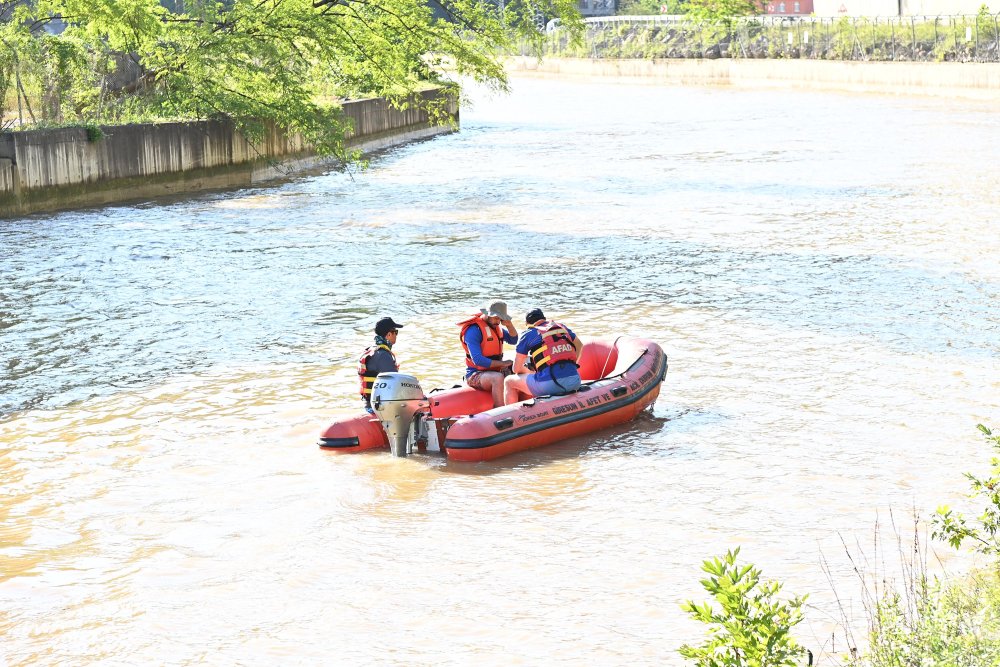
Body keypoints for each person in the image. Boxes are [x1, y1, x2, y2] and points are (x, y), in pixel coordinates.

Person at [504, 308, 583, 405]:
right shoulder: (561, 327)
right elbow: (579, 345)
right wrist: (573, 363)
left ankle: (510, 416)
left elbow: (516, 369)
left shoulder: (528, 334)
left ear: (527, 324)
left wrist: (530, 372)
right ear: (544, 318)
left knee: (509, 381)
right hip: (575, 380)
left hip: (549, 385)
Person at [457, 301, 518, 408]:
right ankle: (500, 411)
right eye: (495, 317)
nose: (498, 321)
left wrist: (509, 325)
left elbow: (514, 340)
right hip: (475, 374)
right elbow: (478, 360)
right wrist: (504, 363)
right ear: (487, 314)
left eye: (500, 318)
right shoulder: (473, 331)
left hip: (494, 370)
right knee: (498, 377)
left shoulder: (496, 327)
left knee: (520, 368)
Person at [358, 316, 404, 413]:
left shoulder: (372, 350)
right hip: (378, 407)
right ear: (388, 334)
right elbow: (396, 383)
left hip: (369, 403)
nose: (396, 335)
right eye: (395, 332)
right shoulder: (383, 355)